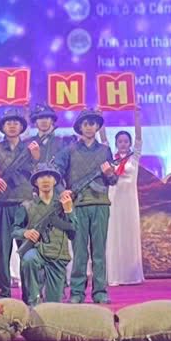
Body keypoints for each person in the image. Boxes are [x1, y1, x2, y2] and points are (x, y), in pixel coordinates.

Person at [54, 108, 117, 304]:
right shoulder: (69, 150)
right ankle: (77, 292)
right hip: (78, 206)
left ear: (98, 127)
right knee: (79, 251)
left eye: (93, 123)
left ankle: (100, 291)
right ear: (80, 127)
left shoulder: (105, 151)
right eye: (86, 124)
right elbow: (55, 174)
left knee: (99, 251)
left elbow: (113, 180)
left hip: (100, 204)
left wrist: (109, 174)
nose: (90, 127)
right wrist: (62, 192)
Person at [14, 163, 76, 306]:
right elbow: (15, 230)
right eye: (41, 177)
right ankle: (33, 301)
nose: (46, 180)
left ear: (55, 181)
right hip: (37, 252)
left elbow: (73, 233)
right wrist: (25, 232)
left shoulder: (63, 205)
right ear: (35, 182)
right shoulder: (27, 206)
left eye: (49, 176)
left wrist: (68, 211)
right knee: (29, 259)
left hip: (57, 255)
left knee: (53, 306)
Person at [0, 106, 32, 298]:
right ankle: (3, 293)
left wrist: (36, 157)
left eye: (16, 123)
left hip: (24, 204)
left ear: (21, 127)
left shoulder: (30, 148)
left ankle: (29, 293)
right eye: (8, 123)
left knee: (26, 250)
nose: (12, 126)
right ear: (2, 127)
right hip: (3, 203)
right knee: (4, 249)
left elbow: (39, 172)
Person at [104, 109, 144, 286]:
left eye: (126, 141)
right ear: (116, 143)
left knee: (129, 234)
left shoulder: (133, 159)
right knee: (114, 235)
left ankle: (131, 274)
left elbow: (139, 139)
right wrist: (101, 118)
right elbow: (103, 141)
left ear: (129, 143)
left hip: (129, 201)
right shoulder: (111, 159)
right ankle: (115, 274)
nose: (123, 144)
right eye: (120, 141)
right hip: (113, 200)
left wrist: (137, 117)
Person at [27, 103, 66, 170]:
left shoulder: (62, 143)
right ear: (35, 122)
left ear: (52, 121)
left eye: (47, 118)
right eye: (40, 118)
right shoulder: (28, 144)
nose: (44, 121)